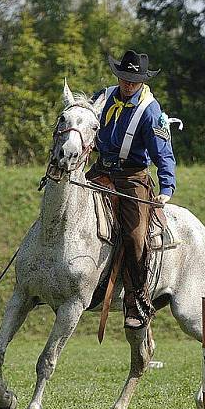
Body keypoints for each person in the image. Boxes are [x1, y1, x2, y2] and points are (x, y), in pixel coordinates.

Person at [87, 49, 177, 330]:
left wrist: (166, 186)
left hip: (132, 177)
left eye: (133, 79)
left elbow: (164, 152)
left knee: (137, 236)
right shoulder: (102, 96)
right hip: (100, 170)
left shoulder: (151, 111)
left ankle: (137, 299)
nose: (127, 83)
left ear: (141, 80)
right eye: (124, 77)